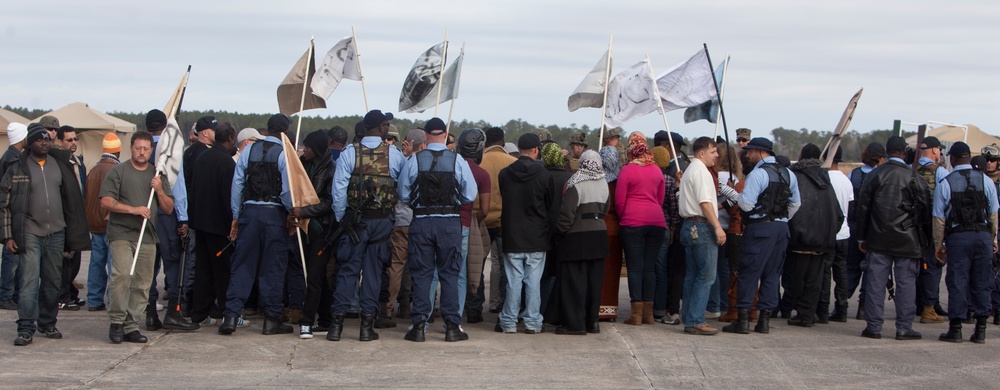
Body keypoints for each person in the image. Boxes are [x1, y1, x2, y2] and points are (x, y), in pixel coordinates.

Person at [1, 123, 89, 346]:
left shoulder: (60, 166)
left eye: (47, 140)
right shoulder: (17, 167)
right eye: (39, 140)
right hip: (29, 232)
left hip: (56, 233)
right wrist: (8, 237)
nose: (44, 143)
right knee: (29, 281)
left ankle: (48, 322)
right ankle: (25, 327)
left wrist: (72, 236)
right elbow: (4, 205)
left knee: (52, 282)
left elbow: (71, 201)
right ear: (29, 142)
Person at [398, 118, 476, 342]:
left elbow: (403, 193)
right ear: (445, 134)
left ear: (425, 134)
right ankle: (452, 326)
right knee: (450, 274)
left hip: (421, 221)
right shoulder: (457, 160)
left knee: (422, 274)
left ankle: (419, 325)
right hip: (450, 222)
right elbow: (470, 195)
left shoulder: (414, 160)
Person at [328, 109, 402, 342]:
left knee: (348, 271)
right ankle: (367, 327)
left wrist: (342, 216)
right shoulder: (394, 155)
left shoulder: (350, 153)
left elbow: (338, 188)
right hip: (381, 221)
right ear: (380, 128)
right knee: (373, 273)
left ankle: (336, 326)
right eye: (386, 124)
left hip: (355, 222)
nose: (388, 127)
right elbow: (403, 187)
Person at [220, 114, 294, 336]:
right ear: (285, 132)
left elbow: (238, 184)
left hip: (249, 213)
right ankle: (272, 319)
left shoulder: (249, 151)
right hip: (274, 214)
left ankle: (231, 316)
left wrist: (236, 214)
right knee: (273, 268)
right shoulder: (283, 154)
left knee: (242, 265)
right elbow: (288, 190)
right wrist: (291, 212)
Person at [100, 130, 175, 344]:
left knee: (143, 282)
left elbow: (168, 208)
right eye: (137, 148)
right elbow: (106, 201)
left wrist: (159, 190)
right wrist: (133, 210)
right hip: (121, 233)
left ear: (151, 150)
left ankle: (131, 325)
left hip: (148, 235)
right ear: (131, 148)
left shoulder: (157, 175)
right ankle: (116, 321)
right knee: (122, 275)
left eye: (145, 149)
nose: (141, 152)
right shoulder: (118, 172)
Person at [723, 137, 801, 335]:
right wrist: (781, 218)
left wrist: (735, 196)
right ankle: (764, 321)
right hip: (781, 230)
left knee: (749, 272)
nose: (747, 155)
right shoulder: (789, 174)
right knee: (772, 273)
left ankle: (742, 321)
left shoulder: (758, 174)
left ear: (760, 151)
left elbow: (746, 204)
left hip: (759, 229)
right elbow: (795, 203)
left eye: (750, 152)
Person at [855, 136, 929, 340]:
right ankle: (904, 328)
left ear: (887, 152)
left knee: (876, 283)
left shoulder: (875, 175)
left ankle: (874, 327)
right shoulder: (915, 176)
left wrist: (861, 237)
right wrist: (927, 242)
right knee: (906, 284)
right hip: (908, 240)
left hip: (878, 238)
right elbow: (925, 210)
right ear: (904, 152)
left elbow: (863, 208)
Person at [933, 142, 999, 343]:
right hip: (982, 237)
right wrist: (993, 238)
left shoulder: (945, 182)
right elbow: (994, 213)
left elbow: (939, 219)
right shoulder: (985, 181)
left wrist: (938, 245)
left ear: (952, 159)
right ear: (969, 158)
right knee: (982, 281)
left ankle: (956, 329)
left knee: (957, 281)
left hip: (958, 238)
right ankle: (980, 330)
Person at [497, 133, 556, 334]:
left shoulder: (505, 174)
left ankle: (509, 321)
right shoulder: (545, 176)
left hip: (513, 234)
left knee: (513, 281)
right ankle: (532, 321)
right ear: (536, 150)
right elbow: (549, 206)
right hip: (537, 236)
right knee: (533, 281)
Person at [783, 144, 843, 327]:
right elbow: (838, 213)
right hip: (821, 240)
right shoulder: (825, 179)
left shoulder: (795, 177)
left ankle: (796, 310)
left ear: (801, 157)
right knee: (814, 280)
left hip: (799, 238)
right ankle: (807, 314)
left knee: (796, 278)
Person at [189, 125, 242, 328]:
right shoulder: (227, 164)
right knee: (224, 272)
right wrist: (233, 223)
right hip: (219, 226)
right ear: (229, 138)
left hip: (200, 224)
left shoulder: (202, 158)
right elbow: (230, 197)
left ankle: (199, 313)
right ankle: (229, 313)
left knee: (203, 269)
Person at [552, 150, 608, 335]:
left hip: (577, 239)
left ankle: (575, 324)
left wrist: (559, 233)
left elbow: (567, 214)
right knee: (594, 283)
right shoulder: (604, 182)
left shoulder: (576, 183)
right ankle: (593, 322)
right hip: (599, 237)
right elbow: (605, 210)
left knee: (575, 283)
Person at [288, 130, 335, 339]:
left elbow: (329, 203)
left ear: (317, 148)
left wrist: (304, 212)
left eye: (307, 146)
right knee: (318, 276)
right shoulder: (303, 166)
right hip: (304, 229)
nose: (303, 150)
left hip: (322, 229)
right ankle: (325, 320)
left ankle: (307, 321)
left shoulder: (331, 170)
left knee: (314, 276)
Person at [616, 132, 666, 326]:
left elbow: (620, 201)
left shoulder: (627, 170)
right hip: (656, 221)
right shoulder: (657, 171)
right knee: (649, 268)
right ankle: (648, 314)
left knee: (635, 268)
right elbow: (660, 199)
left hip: (632, 222)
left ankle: (636, 314)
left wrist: (625, 217)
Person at [678, 137, 725, 335]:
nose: (716, 156)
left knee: (692, 275)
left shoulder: (690, 170)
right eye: (713, 152)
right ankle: (696, 319)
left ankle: (689, 316)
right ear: (702, 153)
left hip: (689, 225)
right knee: (706, 276)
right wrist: (718, 227)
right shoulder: (701, 172)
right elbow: (705, 203)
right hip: (701, 225)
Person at [383, 130, 426, 322]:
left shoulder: (404, 164)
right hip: (421, 221)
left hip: (401, 220)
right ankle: (420, 309)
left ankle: (387, 307)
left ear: (409, 144)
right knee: (422, 267)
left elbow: (400, 192)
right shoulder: (427, 164)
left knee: (397, 266)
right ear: (423, 145)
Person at [846, 142, 886, 319]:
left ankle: (842, 301)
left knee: (851, 267)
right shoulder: (882, 175)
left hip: (854, 225)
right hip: (874, 227)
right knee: (872, 270)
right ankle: (863, 306)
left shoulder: (853, 174)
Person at [456, 129, 491, 324]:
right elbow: (485, 209)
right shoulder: (482, 174)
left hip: (448, 223)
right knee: (467, 272)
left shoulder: (454, 167)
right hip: (469, 225)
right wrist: (474, 219)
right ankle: (464, 314)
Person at [480, 128, 516, 315]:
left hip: (480, 221)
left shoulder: (478, 162)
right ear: (503, 143)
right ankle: (501, 304)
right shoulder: (513, 163)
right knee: (504, 267)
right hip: (504, 223)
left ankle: (474, 308)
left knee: (476, 266)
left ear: (485, 143)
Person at [84, 134, 122, 312]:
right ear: (118, 150)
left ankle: (93, 299)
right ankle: (112, 299)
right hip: (110, 223)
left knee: (96, 262)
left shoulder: (93, 169)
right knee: (113, 263)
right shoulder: (116, 170)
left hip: (94, 223)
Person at [914, 136, 950, 324]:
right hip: (931, 226)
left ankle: (923, 304)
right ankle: (928, 306)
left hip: (911, 227)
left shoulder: (911, 170)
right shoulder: (941, 172)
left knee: (915, 267)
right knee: (933, 265)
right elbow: (945, 202)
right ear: (935, 150)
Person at [54, 125, 87, 311]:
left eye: (75, 139)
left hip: (78, 214)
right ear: (60, 141)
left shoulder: (78, 161)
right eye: (69, 140)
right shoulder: (57, 162)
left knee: (76, 258)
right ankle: (62, 296)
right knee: (65, 259)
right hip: (65, 215)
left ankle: (71, 294)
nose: (74, 143)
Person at [540, 142, 573, 321]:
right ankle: (557, 311)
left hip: (543, 231)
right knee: (560, 273)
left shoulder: (541, 176)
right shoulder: (570, 177)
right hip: (565, 231)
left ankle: (542, 310)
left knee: (543, 273)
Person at [823, 146, 854, 322]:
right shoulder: (845, 180)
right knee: (841, 271)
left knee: (826, 272)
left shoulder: (825, 179)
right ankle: (842, 307)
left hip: (828, 234)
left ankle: (824, 308)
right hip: (844, 233)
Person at [0, 122, 28, 311]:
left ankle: (11, 294)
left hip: (10, 214)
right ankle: (6, 295)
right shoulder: (12, 160)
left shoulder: (9, 156)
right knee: (11, 257)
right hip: (11, 214)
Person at [598, 136, 624, 321]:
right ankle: (609, 310)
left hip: (598, 229)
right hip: (615, 231)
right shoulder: (620, 182)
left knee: (598, 270)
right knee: (612, 272)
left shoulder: (596, 180)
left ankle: (596, 306)